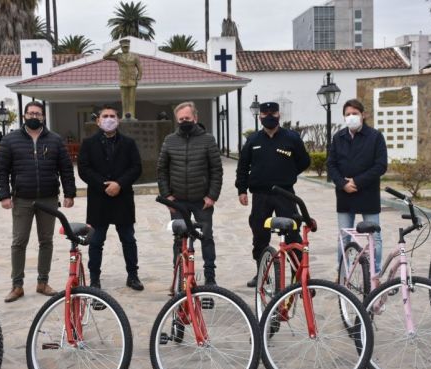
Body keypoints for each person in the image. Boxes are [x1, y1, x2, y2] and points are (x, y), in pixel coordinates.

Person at [0, 101, 76, 303]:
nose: (34, 116)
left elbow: (65, 168)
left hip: (48, 199)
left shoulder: (55, 140)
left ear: (43, 117)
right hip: (22, 199)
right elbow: (2, 170)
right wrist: (3, 195)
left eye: (38, 114)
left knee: (46, 241)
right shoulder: (10, 140)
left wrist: (69, 193)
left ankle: (42, 281)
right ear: (24, 116)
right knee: (19, 241)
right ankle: (17, 285)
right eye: (31, 113)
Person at [236, 102, 311, 287]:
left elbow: (304, 161)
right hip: (260, 196)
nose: (269, 115)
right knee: (260, 236)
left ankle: (299, 276)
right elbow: (243, 167)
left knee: (293, 235)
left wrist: (288, 173)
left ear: (279, 114)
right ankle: (262, 272)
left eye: (273, 112)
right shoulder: (253, 140)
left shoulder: (291, 137)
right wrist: (242, 190)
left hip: (285, 194)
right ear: (259, 116)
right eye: (265, 113)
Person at [77, 104, 144, 291]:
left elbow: (136, 167)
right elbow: (84, 169)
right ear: (98, 121)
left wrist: (119, 184)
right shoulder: (88, 143)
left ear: (118, 120)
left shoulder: (129, 143)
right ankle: (95, 279)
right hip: (99, 200)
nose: (109, 119)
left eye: (112, 116)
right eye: (105, 116)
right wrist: (103, 185)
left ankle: (133, 275)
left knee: (129, 240)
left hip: (123, 199)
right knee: (96, 241)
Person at [157, 101, 223, 285]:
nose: (184, 121)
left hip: (202, 201)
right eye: (181, 119)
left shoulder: (208, 140)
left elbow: (216, 170)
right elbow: (161, 170)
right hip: (177, 202)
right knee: (179, 241)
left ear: (195, 118)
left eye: (187, 118)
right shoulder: (169, 140)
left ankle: (210, 278)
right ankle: (179, 278)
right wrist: (167, 196)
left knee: (206, 238)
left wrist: (212, 196)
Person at [327, 98, 388, 280]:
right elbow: (331, 165)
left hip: (368, 193)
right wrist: (343, 184)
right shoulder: (339, 137)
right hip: (345, 194)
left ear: (363, 115)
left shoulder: (375, 137)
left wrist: (357, 181)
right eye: (348, 114)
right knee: (344, 237)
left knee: (374, 237)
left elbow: (380, 165)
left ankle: (374, 274)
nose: (351, 117)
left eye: (355, 113)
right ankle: (343, 273)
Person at [103, 38, 142, 119]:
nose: (125, 48)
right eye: (124, 47)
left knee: (131, 100)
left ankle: (132, 116)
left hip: (132, 79)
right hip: (123, 80)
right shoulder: (118, 56)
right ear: (121, 47)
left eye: (127, 47)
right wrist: (115, 48)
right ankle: (124, 116)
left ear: (129, 46)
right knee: (124, 100)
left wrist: (139, 77)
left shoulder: (135, 56)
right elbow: (105, 56)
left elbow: (139, 67)